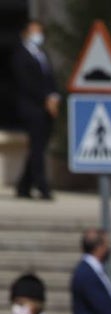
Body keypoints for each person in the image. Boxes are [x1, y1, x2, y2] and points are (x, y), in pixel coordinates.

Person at [10, 19, 59, 201]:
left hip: (46, 107)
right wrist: (45, 99)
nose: (38, 35)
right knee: (37, 148)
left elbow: (49, 79)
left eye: (40, 31)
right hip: (31, 107)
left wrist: (54, 97)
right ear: (25, 33)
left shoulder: (41, 54)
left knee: (39, 146)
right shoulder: (20, 55)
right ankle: (42, 186)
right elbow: (26, 83)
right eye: (33, 31)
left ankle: (24, 186)